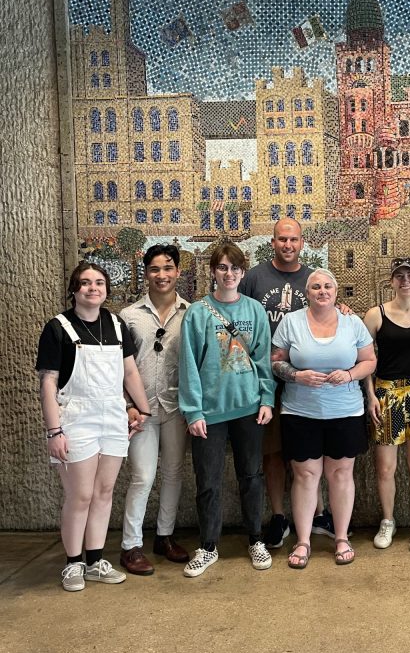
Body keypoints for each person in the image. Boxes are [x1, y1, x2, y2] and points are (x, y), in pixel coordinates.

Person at [36, 262, 151, 591]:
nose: (92, 288)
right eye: (84, 283)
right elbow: (48, 383)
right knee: (80, 495)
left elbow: (130, 373)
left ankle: (96, 561)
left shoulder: (115, 324)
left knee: (103, 493)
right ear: (74, 289)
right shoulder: (58, 328)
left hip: (113, 416)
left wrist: (141, 410)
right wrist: (54, 431)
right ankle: (73, 564)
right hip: (75, 419)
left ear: (106, 289)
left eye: (98, 282)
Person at [178, 242, 275, 578]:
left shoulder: (254, 311)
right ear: (213, 272)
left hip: (249, 408)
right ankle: (207, 546)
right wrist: (193, 411)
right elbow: (188, 364)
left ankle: (255, 539)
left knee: (251, 476)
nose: (229, 274)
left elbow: (263, 359)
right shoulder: (197, 313)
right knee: (208, 480)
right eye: (222, 267)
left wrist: (267, 399)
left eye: (235, 268)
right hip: (210, 411)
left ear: (243, 272)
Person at [271, 269, 376, 569]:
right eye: (316, 286)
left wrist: (350, 374)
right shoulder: (291, 322)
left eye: (328, 286)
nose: (322, 291)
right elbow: (276, 362)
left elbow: (370, 360)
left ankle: (341, 537)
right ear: (307, 292)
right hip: (301, 412)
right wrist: (296, 374)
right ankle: (303, 541)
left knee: (341, 475)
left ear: (336, 290)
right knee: (306, 476)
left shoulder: (351, 322)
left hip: (345, 412)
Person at [239, 218, 334, 547]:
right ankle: (279, 517)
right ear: (273, 242)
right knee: (274, 451)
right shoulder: (255, 277)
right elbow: (238, 316)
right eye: (282, 239)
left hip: (309, 381)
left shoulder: (313, 278)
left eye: (293, 239)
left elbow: (330, 309)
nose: (288, 245)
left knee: (312, 451)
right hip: (268, 379)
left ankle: (319, 514)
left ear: (302, 242)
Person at [118, 244, 189, 575]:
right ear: (146, 272)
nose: (162, 275)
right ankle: (131, 546)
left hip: (176, 405)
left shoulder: (191, 313)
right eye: (155, 269)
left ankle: (164, 536)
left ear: (178, 271)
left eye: (168, 268)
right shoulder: (128, 317)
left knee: (174, 472)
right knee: (143, 475)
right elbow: (116, 367)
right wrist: (128, 404)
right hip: (140, 410)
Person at [363, 257, 410, 552]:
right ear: (392, 281)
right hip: (385, 393)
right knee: (385, 467)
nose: (405, 280)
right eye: (399, 276)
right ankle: (388, 520)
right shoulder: (375, 315)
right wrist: (370, 396)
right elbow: (365, 360)